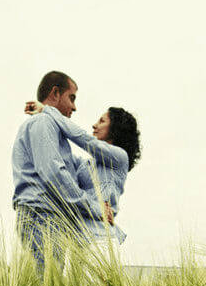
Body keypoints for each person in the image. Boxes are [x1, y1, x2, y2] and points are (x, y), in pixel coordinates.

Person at [11, 71, 110, 272]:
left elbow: (72, 167)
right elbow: (55, 173)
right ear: (55, 93)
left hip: (43, 217)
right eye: (71, 98)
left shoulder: (46, 125)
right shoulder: (43, 123)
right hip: (43, 217)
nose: (74, 107)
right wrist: (93, 207)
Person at [24, 101, 141, 259]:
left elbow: (83, 139)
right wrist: (43, 124)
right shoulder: (85, 164)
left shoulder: (119, 158)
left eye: (102, 121)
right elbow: (59, 155)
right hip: (75, 242)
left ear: (115, 129)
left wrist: (47, 110)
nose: (94, 125)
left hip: (100, 240)